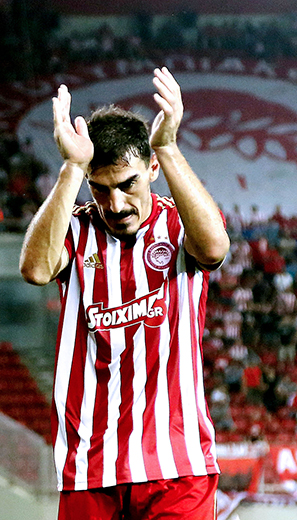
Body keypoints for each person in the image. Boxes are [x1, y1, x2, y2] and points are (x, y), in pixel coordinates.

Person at [19, 67, 230, 520]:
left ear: (151, 169)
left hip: (178, 463)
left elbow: (214, 249)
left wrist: (167, 146)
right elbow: (35, 269)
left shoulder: (179, 222)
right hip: (90, 467)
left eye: (127, 184)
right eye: (100, 189)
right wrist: (72, 168)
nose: (114, 204)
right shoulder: (75, 229)